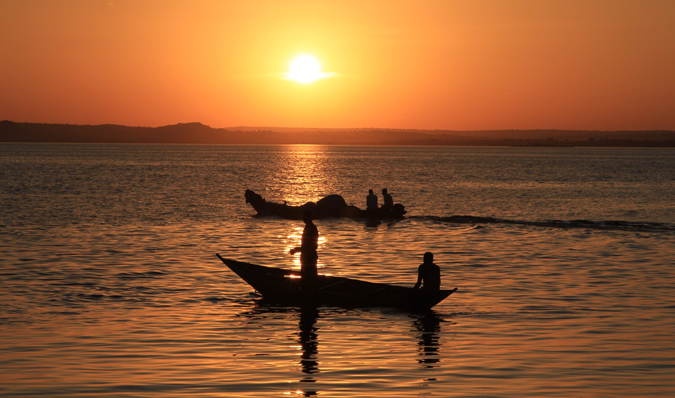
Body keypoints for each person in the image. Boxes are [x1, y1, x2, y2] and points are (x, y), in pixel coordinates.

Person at [290, 209, 319, 295]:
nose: (303, 218)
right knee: (307, 280)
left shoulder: (311, 229)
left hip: (309, 259)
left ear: (308, 217)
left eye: (304, 216)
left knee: (308, 281)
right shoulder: (308, 228)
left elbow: (311, 246)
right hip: (307, 258)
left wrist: (296, 250)